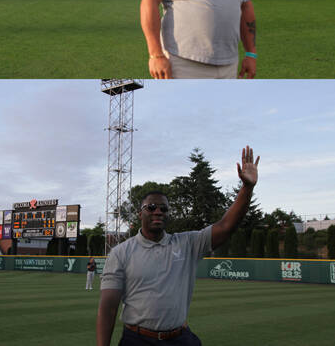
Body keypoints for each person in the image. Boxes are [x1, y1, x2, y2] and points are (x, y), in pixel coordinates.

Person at [96, 145, 259, 346]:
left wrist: (247, 188)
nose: (158, 212)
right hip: (137, 339)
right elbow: (108, 308)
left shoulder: (187, 243)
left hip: (180, 338)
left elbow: (226, 226)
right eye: (151, 207)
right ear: (140, 214)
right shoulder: (121, 253)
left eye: (163, 208)